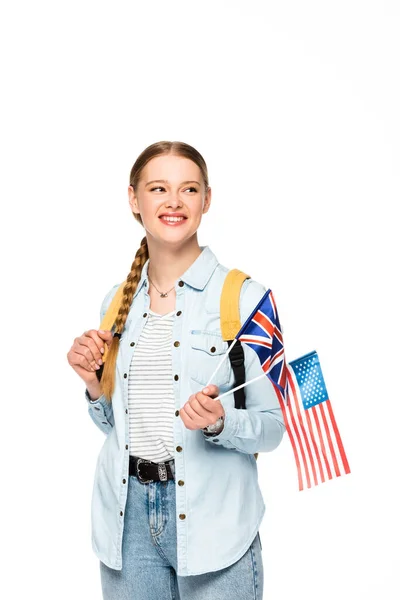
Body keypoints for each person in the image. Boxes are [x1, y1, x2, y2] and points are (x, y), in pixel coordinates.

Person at [67, 140, 286, 599]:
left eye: (188, 189)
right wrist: (93, 386)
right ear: (134, 199)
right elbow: (113, 425)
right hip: (125, 524)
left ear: (207, 200)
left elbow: (272, 428)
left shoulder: (245, 299)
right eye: (158, 188)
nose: (173, 201)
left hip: (215, 524)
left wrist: (220, 422)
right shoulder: (116, 304)